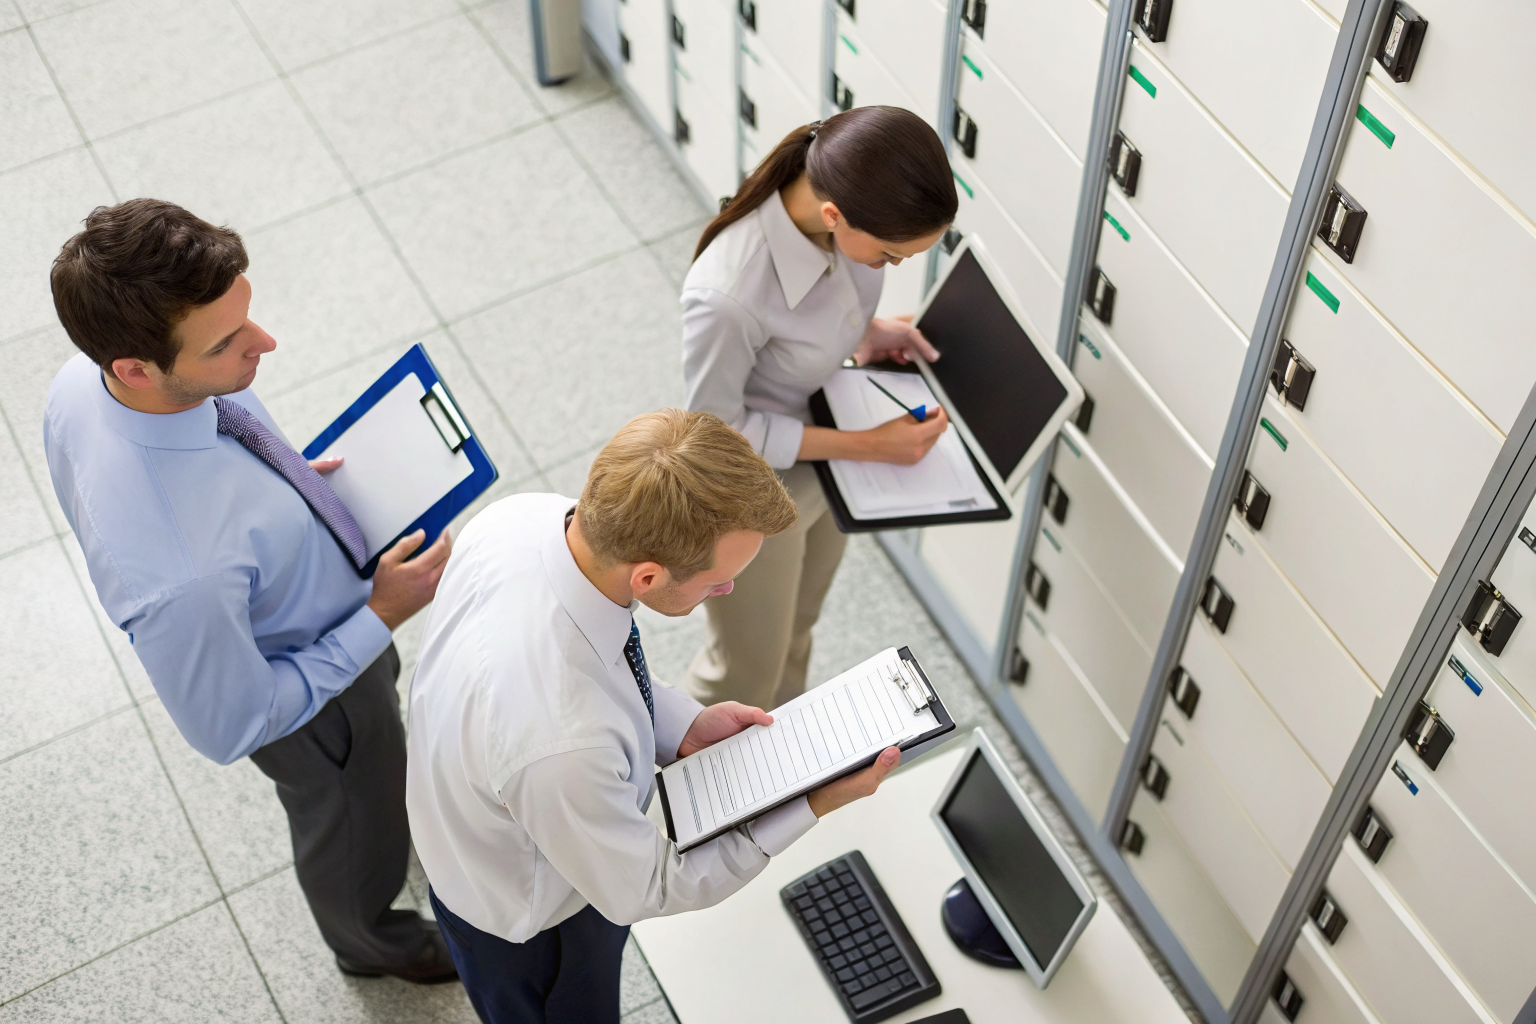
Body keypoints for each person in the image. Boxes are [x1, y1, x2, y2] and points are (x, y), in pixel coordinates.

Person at [44, 199, 457, 982]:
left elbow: (221, 474)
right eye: (227, 343)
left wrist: (286, 481)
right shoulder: (184, 577)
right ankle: (373, 943)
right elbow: (235, 724)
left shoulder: (81, 381)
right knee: (350, 818)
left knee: (380, 783)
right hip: (317, 699)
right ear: (135, 368)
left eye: (247, 317)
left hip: (317, 600)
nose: (265, 343)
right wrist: (382, 615)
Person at [406, 409, 902, 1024]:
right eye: (717, 583)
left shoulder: (521, 520)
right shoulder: (562, 743)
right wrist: (809, 803)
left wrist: (680, 724)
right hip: (536, 923)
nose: (726, 592)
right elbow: (648, 886)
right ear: (647, 575)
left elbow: (599, 658)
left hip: (487, 825)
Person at [681, 105, 959, 711]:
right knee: (745, 670)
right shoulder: (725, 294)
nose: (892, 267)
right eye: (890, 256)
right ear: (834, 215)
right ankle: (697, 768)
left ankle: (782, 758)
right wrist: (871, 446)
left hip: (825, 458)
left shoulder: (836, 211)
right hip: (752, 489)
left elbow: (813, 312)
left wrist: (867, 330)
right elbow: (717, 434)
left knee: (797, 630)